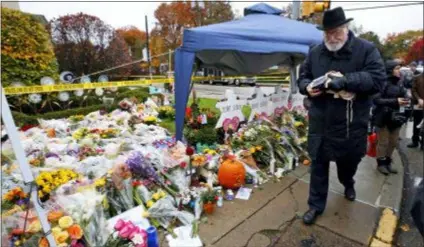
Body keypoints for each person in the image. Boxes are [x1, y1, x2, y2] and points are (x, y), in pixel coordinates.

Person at [297, 7, 386, 225]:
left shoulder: (366, 49)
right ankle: (315, 206)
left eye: (336, 32)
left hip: (350, 124)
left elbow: (377, 80)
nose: (332, 37)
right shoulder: (316, 52)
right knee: (318, 165)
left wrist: (346, 81)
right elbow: (304, 77)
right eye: (327, 33)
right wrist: (307, 87)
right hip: (321, 122)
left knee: (349, 162)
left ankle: (348, 182)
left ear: (346, 29)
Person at [372, 60, 409, 175]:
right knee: (383, 141)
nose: (399, 71)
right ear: (390, 70)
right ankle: (381, 164)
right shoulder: (383, 82)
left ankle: (388, 162)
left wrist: (406, 99)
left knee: (393, 142)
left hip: (396, 117)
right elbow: (376, 99)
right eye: (397, 68)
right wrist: (395, 101)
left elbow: (403, 96)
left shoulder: (400, 82)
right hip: (383, 117)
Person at [408, 73, 424, 149]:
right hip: (418, 104)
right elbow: (413, 90)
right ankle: (415, 141)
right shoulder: (417, 77)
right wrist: (419, 99)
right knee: (416, 123)